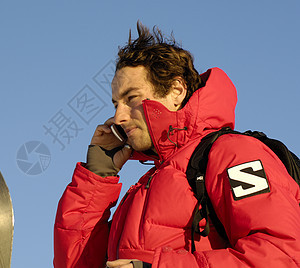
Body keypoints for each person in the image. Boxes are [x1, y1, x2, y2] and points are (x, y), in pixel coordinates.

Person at [53, 22, 300, 267]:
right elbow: (75, 263)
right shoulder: (143, 189)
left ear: (176, 90)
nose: (119, 117)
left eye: (131, 98)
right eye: (116, 104)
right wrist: (94, 179)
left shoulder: (235, 153)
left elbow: (281, 255)